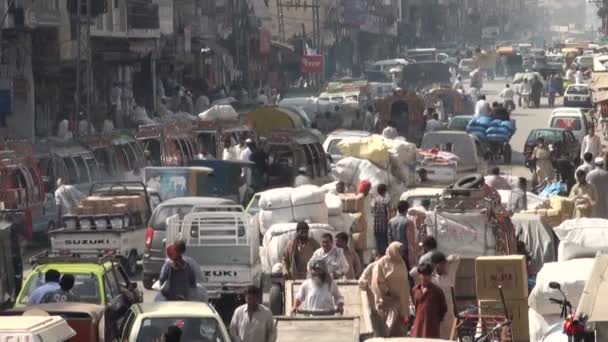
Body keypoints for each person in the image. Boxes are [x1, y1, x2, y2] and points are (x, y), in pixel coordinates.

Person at [370, 242, 410, 337]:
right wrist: (388, 293)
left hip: (401, 303)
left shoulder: (402, 262)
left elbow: (405, 283)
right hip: (387, 303)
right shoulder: (382, 263)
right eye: (399, 250)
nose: (401, 253)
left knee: (400, 332)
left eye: (402, 251)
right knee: (387, 331)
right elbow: (378, 282)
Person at [410, 263, 447, 338]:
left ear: (431, 276)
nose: (425, 277)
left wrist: (435, 321)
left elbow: (443, 308)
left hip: (432, 327)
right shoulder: (415, 290)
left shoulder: (437, 291)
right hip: (418, 326)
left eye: (428, 275)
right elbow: (414, 306)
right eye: (423, 275)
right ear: (419, 275)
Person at [431, 252, 460, 340]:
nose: (444, 266)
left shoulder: (450, 275)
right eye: (441, 264)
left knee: (452, 337)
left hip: (450, 314)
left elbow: (457, 258)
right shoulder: (431, 278)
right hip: (437, 315)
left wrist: (446, 260)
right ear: (435, 265)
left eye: (445, 264)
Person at [372, 184, 391, 255]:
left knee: (378, 244)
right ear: (385, 191)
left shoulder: (375, 200)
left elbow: (373, 212)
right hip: (383, 226)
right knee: (384, 244)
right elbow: (388, 214)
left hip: (376, 227)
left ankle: (378, 256)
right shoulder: (385, 201)